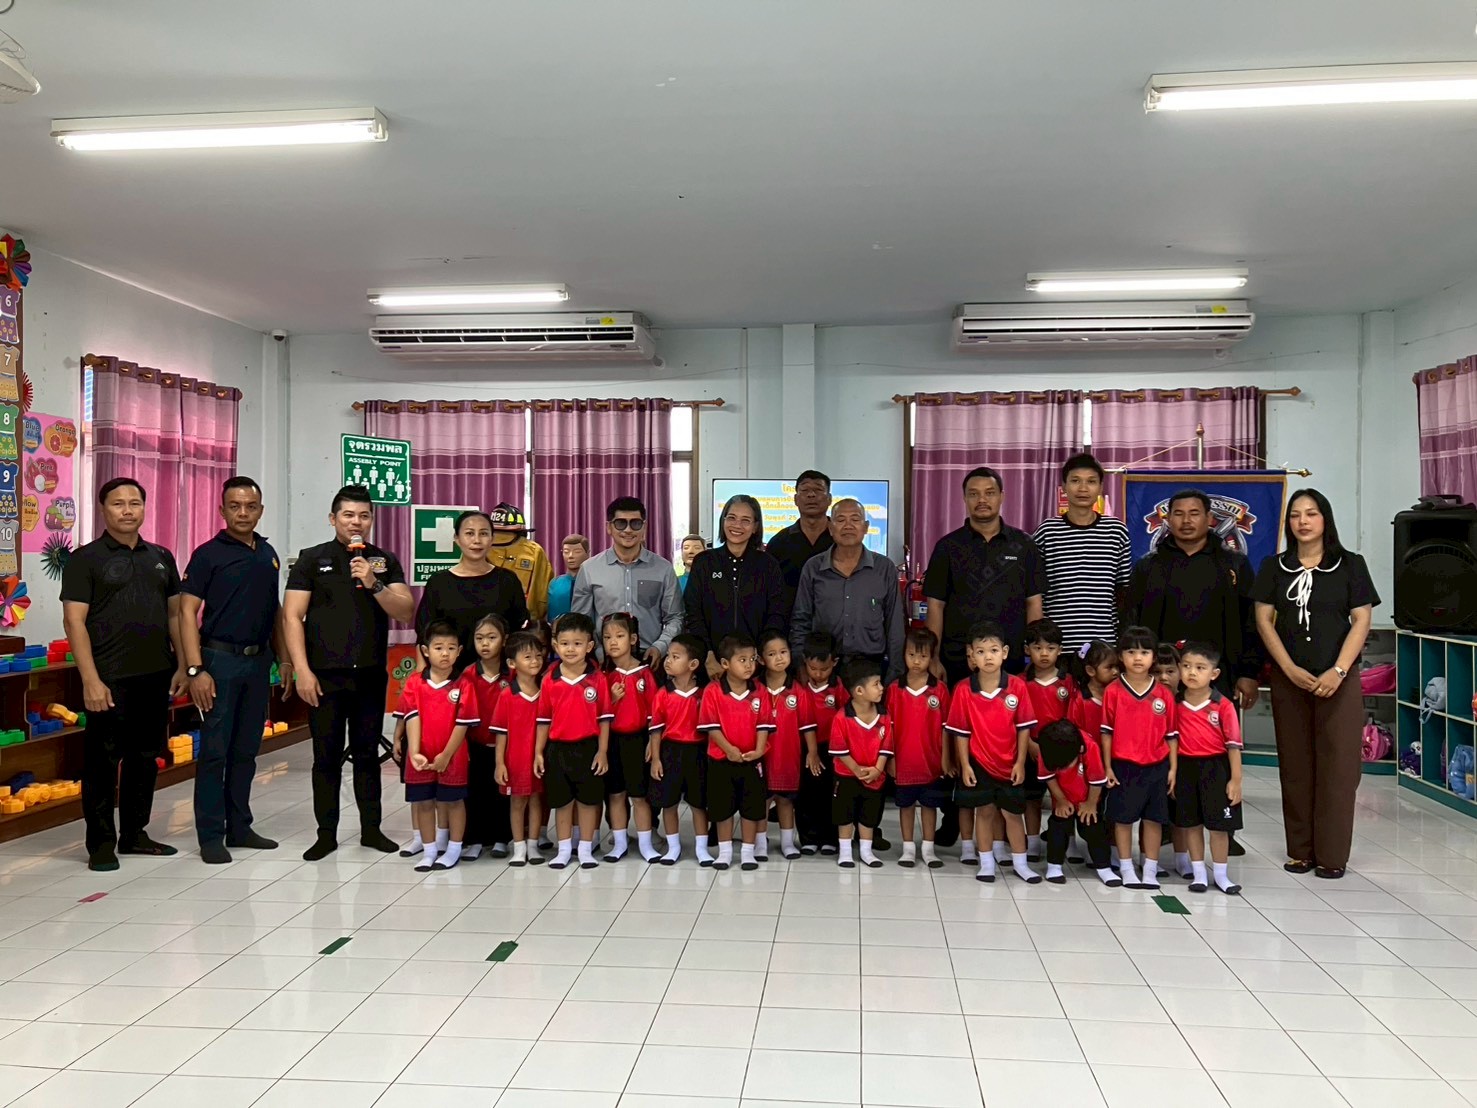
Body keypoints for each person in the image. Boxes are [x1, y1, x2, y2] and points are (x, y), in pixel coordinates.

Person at [1123, 487, 1261, 858]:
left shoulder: (1233, 565)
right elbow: (1132, 620)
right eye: (1179, 514)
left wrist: (1249, 672)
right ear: (1168, 519)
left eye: (1194, 513)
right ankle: (1170, 825)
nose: (1186, 521)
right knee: (1166, 751)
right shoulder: (1149, 566)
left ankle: (1222, 826)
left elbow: (1251, 623)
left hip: (1219, 676)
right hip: (1163, 678)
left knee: (1216, 754)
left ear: (1209, 519)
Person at [61, 478, 189, 872]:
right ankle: (101, 844)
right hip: (108, 679)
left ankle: (135, 833)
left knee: (145, 759)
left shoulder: (161, 556)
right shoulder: (85, 559)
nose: (128, 510)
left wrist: (183, 664)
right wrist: (90, 679)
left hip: (155, 675)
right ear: (103, 509)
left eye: (135, 502)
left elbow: (175, 615)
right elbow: (73, 621)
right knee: (102, 763)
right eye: (118, 503)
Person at [283, 484, 415, 861]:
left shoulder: (383, 561)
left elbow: (405, 610)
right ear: (333, 519)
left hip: (369, 674)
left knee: (367, 754)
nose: (356, 522)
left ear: (372, 519)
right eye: (348, 515)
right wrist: (302, 670)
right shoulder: (311, 559)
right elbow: (291, 616)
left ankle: (371, 830)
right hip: (323, 676)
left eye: (364, 515)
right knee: (325, 757)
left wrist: (373, 583)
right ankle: (326, 834)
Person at [1252, 488, 1378, 880]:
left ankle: (1332, 855)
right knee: (1295, 765)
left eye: (1311, 513)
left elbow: (1361, 620)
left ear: (1325, 519)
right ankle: (1300, 851)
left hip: (1338, 679)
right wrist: (1287, 668)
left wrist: (1338, 670)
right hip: (1290, 678)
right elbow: (1263, 620)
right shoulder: (1274, 566)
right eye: (1295, 515)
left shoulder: (1350, 564)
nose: (1303, 521)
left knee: (1338, 767)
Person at [924, 467, 1045, 850]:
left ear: (1001, 496)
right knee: (957, 736)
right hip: (958, 659)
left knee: (1005, 738)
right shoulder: (948, 546)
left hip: (1010, 662)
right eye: (974, 493)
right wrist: (934, 656)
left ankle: (1008, 820)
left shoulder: (1024, 546)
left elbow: (1034, 604)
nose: (982, 500)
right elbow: (935, 605)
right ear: (964, 499)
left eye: (989, 492)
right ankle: (954, 819)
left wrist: (1033, 654)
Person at [178, 476, 288, 864]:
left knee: (246, 750)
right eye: (235, 506)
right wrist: (195, 670)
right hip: (218, 662)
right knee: (215, 752)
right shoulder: (207, 555)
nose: (243, 513)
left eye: (251, 506)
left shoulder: (268, 554)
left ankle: (240, 827)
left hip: (258, 663)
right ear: (222, 510)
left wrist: (284, 658)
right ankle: (211, 835)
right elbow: (186, 612)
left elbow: (274, 610)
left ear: (261, 510)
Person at [415, 510, 529, 859]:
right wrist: (426, 682)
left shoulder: (507, 581)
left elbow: (520, 633)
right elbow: (425, 636)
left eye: (483, 533)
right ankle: (468, 836)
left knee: (501, 755)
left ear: (492, 538)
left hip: (501, 684)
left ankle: (503, 835)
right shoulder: (439, 583)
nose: (477, 540)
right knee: (466, 761)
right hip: (455, 687)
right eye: (469, 533)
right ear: (457, 539)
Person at [945, 622, 1038, 884]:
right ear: (971, 655)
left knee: (1012, 815)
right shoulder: (963, 689)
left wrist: (1020, 762)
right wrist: (965, 765)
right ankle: (986, 864)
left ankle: (1021, 865)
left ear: (1005, 653)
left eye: (994, 650)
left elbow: (1023, 728)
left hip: (1010, 765)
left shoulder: (1017, 686)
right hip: (979, 763)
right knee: (984, 813)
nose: (988, 657)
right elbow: (961, 732)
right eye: (981, 651)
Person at [790, 498, 905, 683]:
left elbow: (895, 624)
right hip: (823, 669)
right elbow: (801, 619)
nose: (848, 526)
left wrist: (896, 671)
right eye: (841, 519)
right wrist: (800, 664)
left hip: (871, 669)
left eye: (855, 519)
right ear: (830, 527)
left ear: (866, 527)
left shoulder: (884, 568)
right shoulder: (813, 567)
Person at [1101, 625, 1179, 890]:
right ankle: (1126, 868)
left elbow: (1171, 735)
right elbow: (1106, 732)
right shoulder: (1113, 691)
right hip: (1124, 766)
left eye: (1144, 652)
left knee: (1154, 820)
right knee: (1123, 820)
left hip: (1157, 766)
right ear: (1121, 656)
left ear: (1153, 657)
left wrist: (1172, 768)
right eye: (1131, 652)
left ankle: (1150, 870)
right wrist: (1108, 766)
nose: (1137, 658)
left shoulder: (1163, 694)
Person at [397, 621, 477, 871]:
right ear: (425, 650)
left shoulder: (464, 684)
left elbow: (462, 724)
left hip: (453, 756)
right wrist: (414, 752)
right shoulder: (414, 683)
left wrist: (446, 755)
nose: (445, 653)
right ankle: (429, 850)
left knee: (454, 802)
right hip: (422, 755)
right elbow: (412, 716)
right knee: (423, 803)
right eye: (439, 647)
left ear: (459, 651)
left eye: (451, 648)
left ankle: (453, 849)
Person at [534, 612, 612, 870]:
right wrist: (539, 752)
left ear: (589, 646)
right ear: (555, 645)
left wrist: (602, 751)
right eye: (565, 643)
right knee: (562, 802)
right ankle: (564, 850)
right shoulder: (549, 680)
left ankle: (586, 849)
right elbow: (543, 720)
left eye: (577, 644)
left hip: (589, 748)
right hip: (558, 749)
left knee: (588, 802)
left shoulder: (597, 679)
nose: (570, 649)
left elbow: (604, 719)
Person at [1032, 453, 1131, 651]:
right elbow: (1034, 593)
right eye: (1075, 481)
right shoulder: (1047, 532)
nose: (1083, 488)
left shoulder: (1116, 531)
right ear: (1064, 487)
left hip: (1104, 645)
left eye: (1091, 482)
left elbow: (1123, 591)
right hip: (1056, 647)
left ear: (1100, 488)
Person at [574, 497, 683, 667]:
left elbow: (675, 617)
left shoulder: (663, 569)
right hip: (604, 660)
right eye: (620, 523)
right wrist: (599, 652)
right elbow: (581, 621)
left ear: (644, 527)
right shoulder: (589, 569)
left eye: (635, 523)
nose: (628, 530)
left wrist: (660, 647)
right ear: (609, 527)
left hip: (649, 658)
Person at [684, 494, 785, 678]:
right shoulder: (704, 562)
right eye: (731, 518)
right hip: (711, 665)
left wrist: (759, 656)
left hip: (756, 666)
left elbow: (776, 613)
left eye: (745, 520)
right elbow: (693, 612)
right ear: (723, 521)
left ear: (755, 526)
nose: (737, 525)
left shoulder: (768, 564)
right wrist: (708, 656)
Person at [1173, 641, 1245, 894]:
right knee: (1191, 824)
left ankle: (1221, 875)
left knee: (1219, 826)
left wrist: (1235, 780)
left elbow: (1234, 746)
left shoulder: (1223, 705)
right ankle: (1199, 874)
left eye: (1200, 668)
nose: (1192, 672)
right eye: (1186, 666)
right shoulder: (1175, 703)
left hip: (1216, 768)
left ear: (1214, 674)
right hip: (1185, 768)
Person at [698, 632, 773, 871]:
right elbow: (711, 726)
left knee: (752, 808)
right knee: (722, 809)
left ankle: (748, 852)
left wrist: (759, 750)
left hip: (752, 760)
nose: (749, 665)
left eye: (752, 659)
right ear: (725, 663)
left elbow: (764, 725)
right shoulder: (712, 691)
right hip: (721, 760)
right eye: (742, 660)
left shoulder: (760, 690)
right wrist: (729, 749)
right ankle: (725, 852)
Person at [889, 628, 951, 868]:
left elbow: (946, 728)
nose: (916, 661)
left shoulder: (940, 690)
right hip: (903, 762)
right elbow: (888, 728)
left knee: (929, 806)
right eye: (911, 655)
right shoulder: (894, 689)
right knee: (905, 806)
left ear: (932, 657)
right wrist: (890, 759)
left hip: (931, 763)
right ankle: (907, 849)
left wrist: (946, 759)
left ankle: (928, 849)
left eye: (923, 656)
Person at [601, 612, 659, 862]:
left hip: (639, 741)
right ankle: (619, 843)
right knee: (616, 794)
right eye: (607, 637)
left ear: (633, 639)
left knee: (640, 796)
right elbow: (598, 713)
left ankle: (646, 844)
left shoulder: (645, 673)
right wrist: (612, 699)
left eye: (619, 636)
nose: (613, 642)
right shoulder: (604, 675)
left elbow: (655, 713)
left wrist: (653, 744)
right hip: (612, 741)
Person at [648, 633, 711, 865]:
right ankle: (673, 847)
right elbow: (656, 730)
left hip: (697, 752)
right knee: (669, 803)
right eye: (668, 656)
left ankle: (702, 849)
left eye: (675, 657)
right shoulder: (663, 694)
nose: (668, 661)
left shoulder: (705, 693)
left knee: (698, 804)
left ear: (693, 664)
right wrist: (656, 759)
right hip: (670, 752)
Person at [1037, 719, 1119, 887]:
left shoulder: (1090, 747)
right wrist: (1061, 800)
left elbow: (1097, 780)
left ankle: (1104, 868)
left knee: (1094, 828)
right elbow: (1048, 777)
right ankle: (1054, 866)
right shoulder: (1047, 747)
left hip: (1088, 797)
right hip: (1062, 796)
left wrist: (1090, 804)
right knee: (1058, 828)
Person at [1022, 618, 1077, 862]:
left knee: (1063, 797)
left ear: (1060, 650)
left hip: (1061, 751)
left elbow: (1073, 718)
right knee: (1032, 798)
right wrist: (1029, 745)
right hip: (1031, 748)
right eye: (1038, 647)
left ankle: (1069, 842)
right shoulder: (1019, 682)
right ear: (1027, 650)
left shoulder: (1068, 682)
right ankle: (1033, 843)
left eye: (1051, 648)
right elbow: (1015, 719)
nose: (1044, 653)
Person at [491, 629, 547, 867]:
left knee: (536, 800)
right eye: (527, 657)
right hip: (515, 760)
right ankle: (519, 847)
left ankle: (533, 845)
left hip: (540, 759)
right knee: (517, 802)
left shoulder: (546, 692)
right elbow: (501, 733)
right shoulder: (507, 695)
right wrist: (500, 763)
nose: (535, 661)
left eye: (538, 656)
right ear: (512, 663)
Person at [830, 658, 893, 869]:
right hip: (847, 776)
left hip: (874, 776)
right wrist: (857, 770)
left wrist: (878, 768)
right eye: (876, 684)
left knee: (869, 815)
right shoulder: (842, 717)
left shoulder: (884, 715)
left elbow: (886, 746)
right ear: (859, 691)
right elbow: (839, 750)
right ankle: (845, 851)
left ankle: (866, 851)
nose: (881, 688)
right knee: (845, 814)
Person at [759, 628, 813, 861]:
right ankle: (759, 842)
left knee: (786, 800)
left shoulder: (798, 690)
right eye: (772, 654)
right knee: (762, 801)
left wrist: (812, 752)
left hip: (788, 755)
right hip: (761, 756)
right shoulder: (754, 688)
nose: (779, 658)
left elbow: (808, 725)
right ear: (761, 659)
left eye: (783, 652)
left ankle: (788, 842)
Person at [796, 631, 844, 855]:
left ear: (834, 662)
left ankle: (830, 838)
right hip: (805, 748)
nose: (817, 674)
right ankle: (808, 838)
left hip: (831, 749)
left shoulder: (839, 687)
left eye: (824, 669)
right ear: (804, 661)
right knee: (807, 794)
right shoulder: (800, 686)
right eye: (813, 668)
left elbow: (846, 717)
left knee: (830, 794)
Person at [767, 470, 835, 617]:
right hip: (790, 623)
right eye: (804, 490)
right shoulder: (779, 542)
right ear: (795, 499)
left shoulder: (841, 540)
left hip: (834, 623)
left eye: (818, 489)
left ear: (829, 499)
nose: (811, 495)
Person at [487, 502, 555, 621]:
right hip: (517, 622)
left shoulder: (534, 551)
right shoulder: (534, 550)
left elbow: (541, 593)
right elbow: (541, 596)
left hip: (494, 622)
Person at [546, 534, 589, 621]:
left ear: (587, 553)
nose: (570, 556)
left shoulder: (593, 582)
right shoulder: (555, 583)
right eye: (566, 552)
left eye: (577, 552)